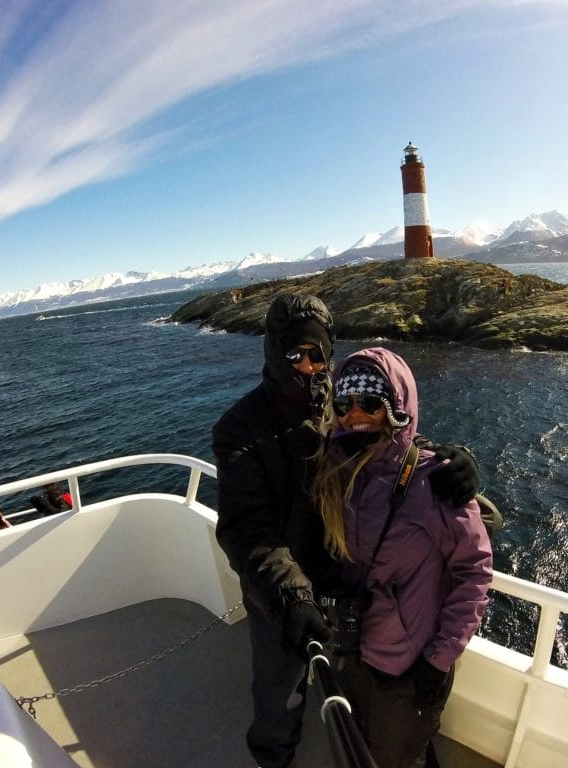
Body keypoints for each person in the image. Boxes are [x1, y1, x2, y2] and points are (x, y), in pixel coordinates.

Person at [211, 293, 482, 768]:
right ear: (275, 352)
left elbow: (392, 443)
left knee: (359, 693)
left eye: (320, 354)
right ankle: (275, 760)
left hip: (347, 589)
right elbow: (246, 529)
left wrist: (458, 465)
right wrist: (292, 599)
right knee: (280, 694)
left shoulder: (339, 400)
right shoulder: (239, 429)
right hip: (281, 596)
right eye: (297, 354)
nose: (312, 367)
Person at [313, 347, 493, 768]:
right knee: (360, 742)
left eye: (371, 402)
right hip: (354, 647)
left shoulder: (436, 481)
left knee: (396, 755)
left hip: (410, 666)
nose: (356, 413)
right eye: (344, 403)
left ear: (396, 405)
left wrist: (440, 658)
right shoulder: (334, 469)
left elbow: (475, 572)